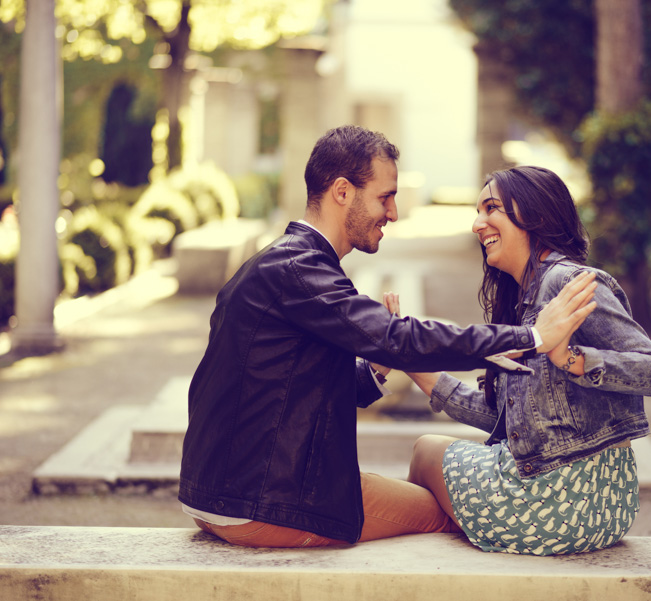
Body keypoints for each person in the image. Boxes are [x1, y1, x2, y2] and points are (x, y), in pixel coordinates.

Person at [178, 126, 599, 548]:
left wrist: (380, 363)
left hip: (228, 493)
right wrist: (533, 335)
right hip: (261, 502)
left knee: (422, 493)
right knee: (459, 513)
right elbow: (400, 337)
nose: (394, 213)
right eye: (385, 197)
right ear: (342, 192)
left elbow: (314, 389)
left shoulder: (283, 263)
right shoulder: (299, 271)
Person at [402, 165, 651, 556]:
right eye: (478, 212)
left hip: (554, 498)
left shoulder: (568, 284)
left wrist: (571, 358)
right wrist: (414, 366)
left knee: (426, 451)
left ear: (533, 215)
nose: (478, 225)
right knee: (435, 485)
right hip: (602, 509)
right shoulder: (525, 302)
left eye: (491, 208)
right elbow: (507, 421)